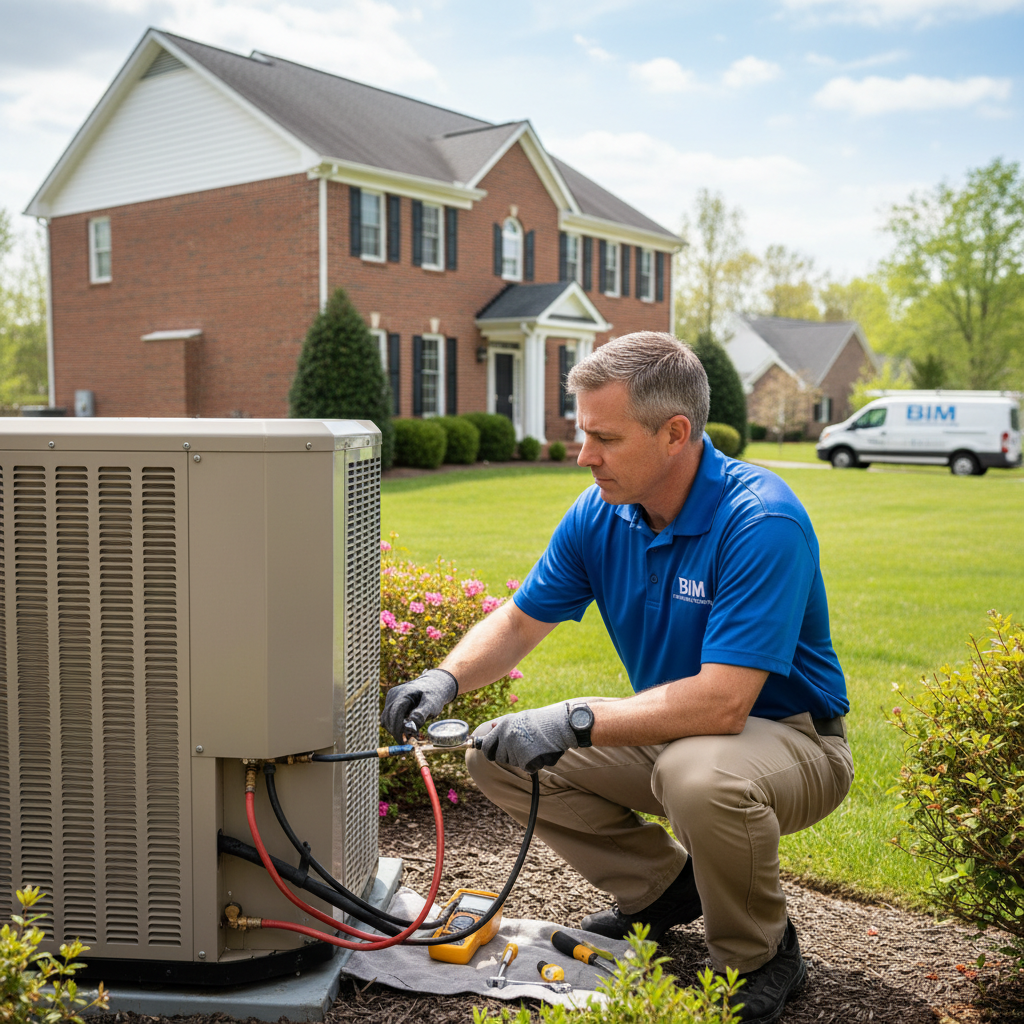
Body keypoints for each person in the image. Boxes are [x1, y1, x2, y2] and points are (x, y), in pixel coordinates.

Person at [382, 332, 853, 1024]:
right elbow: (517, 622)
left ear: (675, 433)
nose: (584, 455)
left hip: (792, 742)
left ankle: (761, 955)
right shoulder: (600, 512)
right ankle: (664, 891)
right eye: (582, 434)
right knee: (495, 754)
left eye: (604, 437)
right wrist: (444, 677)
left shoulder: (761, 520)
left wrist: (573, 719)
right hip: (679, 731)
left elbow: (725, 703)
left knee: (700, 775)